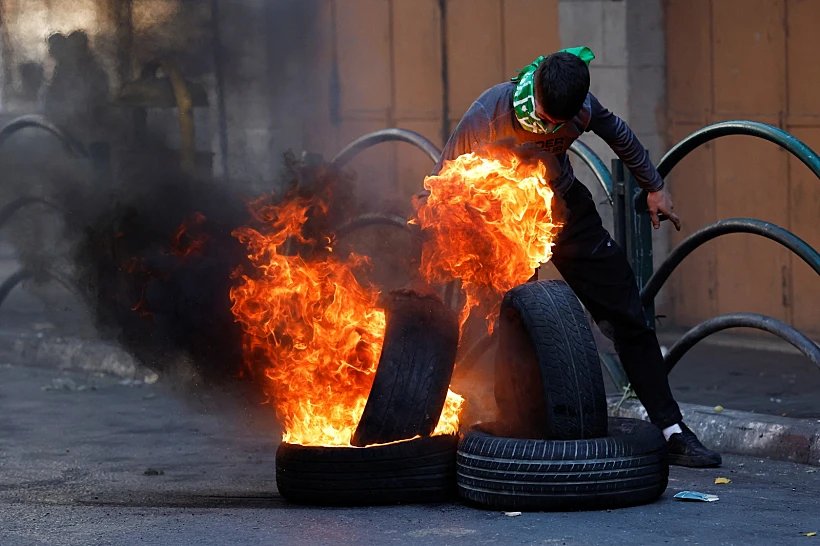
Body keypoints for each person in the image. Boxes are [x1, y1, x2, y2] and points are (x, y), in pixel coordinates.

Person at [404, 47, 721, 468]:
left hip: (564, 207)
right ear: (534, 88)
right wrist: (426, 260)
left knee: (627, 311)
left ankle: (672, 430)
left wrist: (654, 186)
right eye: (543, 117)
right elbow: (439, 187)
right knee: (517, 322)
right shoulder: (489, 113)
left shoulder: (583, 109)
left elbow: (619, 134)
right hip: (507, 223)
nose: (549, 127)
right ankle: (517, 428)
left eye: (558, 123)